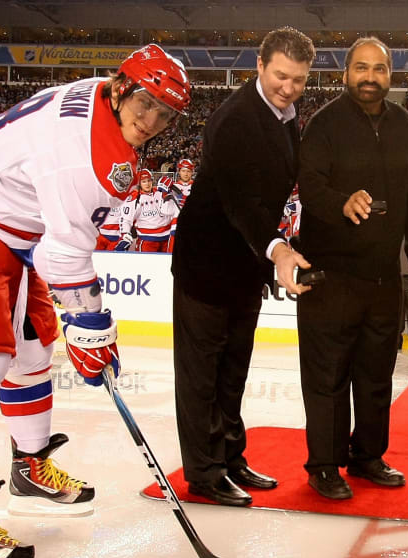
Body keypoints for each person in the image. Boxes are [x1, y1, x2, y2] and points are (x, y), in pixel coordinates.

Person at [0, 43, 190, 558]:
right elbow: (65, 255)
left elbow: (56, 237)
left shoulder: (100, 105)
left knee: (32, 353)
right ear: (123, 87)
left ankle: (29, 470)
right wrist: (93, 322)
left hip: (8, 229)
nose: (152, 122)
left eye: (166, 114)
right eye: (146, 103)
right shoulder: (92, 155)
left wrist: (85, 322)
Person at [171, 26, 314, 506]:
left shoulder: (287, 116)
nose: (288, 88)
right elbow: (243, 205)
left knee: (233, 371)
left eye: (298, 79)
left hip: (244, 267)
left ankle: (230, 458)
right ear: (259, 65)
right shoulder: (234, 120)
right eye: (280, 76)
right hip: (206, 267)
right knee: (202, 376)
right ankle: (204, 473)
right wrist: (276, 249)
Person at [296, 36, 408, 500]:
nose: (370, 77)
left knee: (375, 375)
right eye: (361, 68)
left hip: (381, 278)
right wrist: (340, 202)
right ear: (345, 73)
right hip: (330, 276)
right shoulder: (324, 124)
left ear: (391, 75)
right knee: (328, 376)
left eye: (380, 69)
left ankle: (368, 456)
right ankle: (325, 464)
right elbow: (308, 184)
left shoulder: (406, 126)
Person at [120, 169, 179, 252]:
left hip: (167, 238)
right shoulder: (134, 198)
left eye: (149, 180)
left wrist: (168, 192)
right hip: (147, 240)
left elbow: (172, 210)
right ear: (139, 183)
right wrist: (125, 235)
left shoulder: (160, 192)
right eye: (144, 181)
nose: (147, 184)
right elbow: (126, 219)